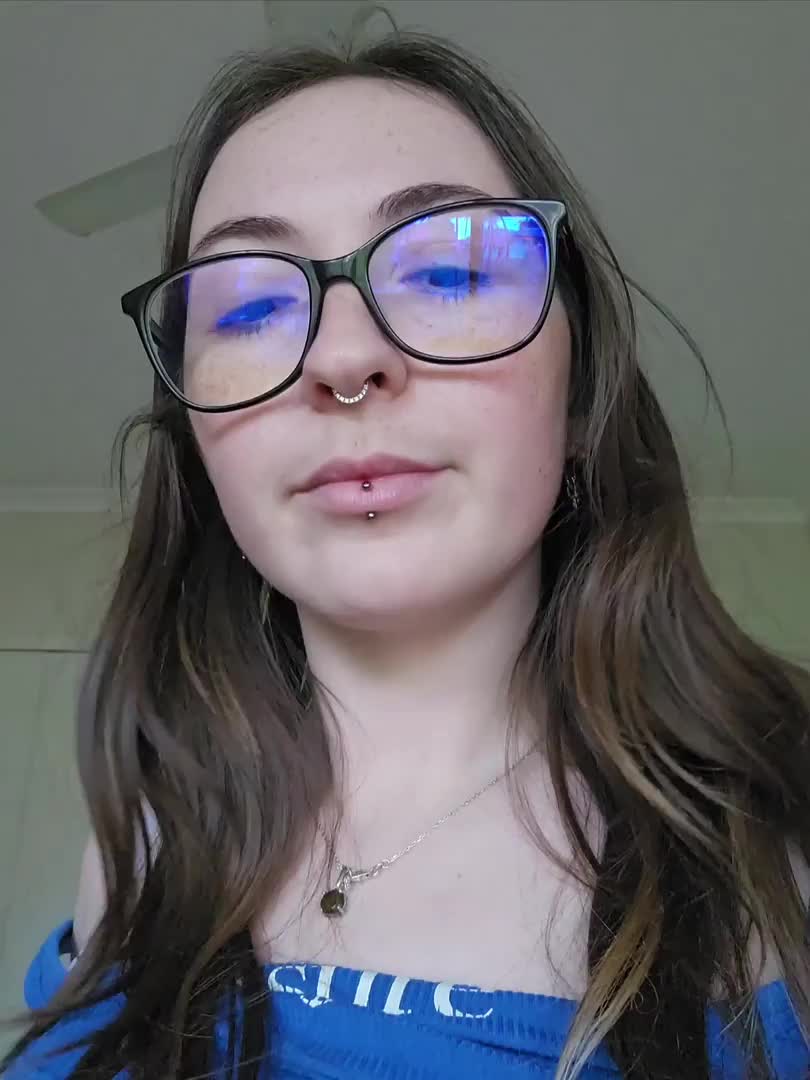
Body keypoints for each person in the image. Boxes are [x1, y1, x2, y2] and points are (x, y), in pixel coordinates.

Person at [2, 24, 809, 1080]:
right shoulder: (143, 848)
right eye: (249, 303)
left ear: (578, 398)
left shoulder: (783, 853)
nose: (343, 357)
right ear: (200, 448)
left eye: (454, 272)